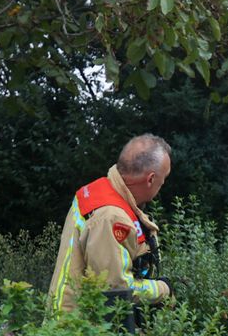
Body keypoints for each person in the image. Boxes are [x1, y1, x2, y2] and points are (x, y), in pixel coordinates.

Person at [49, 134, 174, 313]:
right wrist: (164, 289)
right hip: (77, 332)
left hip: (72, 326)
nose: (163, 183)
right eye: (164, 178)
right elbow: (117, 290)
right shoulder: (111, 218)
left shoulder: (101, 190)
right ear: (151, 179)